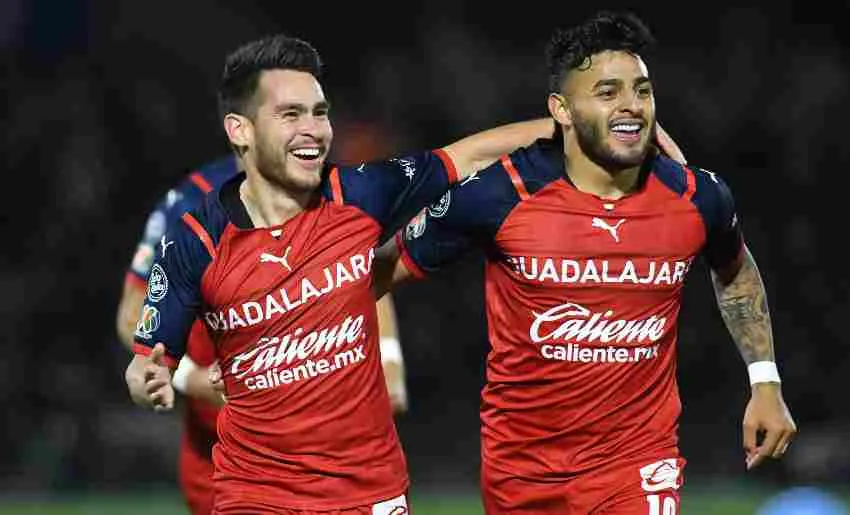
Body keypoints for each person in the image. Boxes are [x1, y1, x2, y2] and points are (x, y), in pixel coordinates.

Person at [377, 10, 797, 514]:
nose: (632, 105)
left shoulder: (697, 196)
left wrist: (765, 381)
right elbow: (373, 277)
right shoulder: (499, 195)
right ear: (562, 109)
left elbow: (736, 272)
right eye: (607, 92)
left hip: (638, 463)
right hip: (521, 469)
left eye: (642, 91)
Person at [124, 34, 556, 513]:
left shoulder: (358, 194)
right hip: (257, 495)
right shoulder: (192, 242)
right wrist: (158, 378)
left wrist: (576, 127)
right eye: (291, 115)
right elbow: (147, 358)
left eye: (320, 112)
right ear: (240, 130)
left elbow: (468, 157)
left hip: (368, 492)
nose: (314, 129)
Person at [116, 156, 410, 514]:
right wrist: (189, 378)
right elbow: (133, 313)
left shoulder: (325, 186)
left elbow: (358, 272)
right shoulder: (190, 203)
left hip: (327, 446)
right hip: (223, 451)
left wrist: (390, 360)